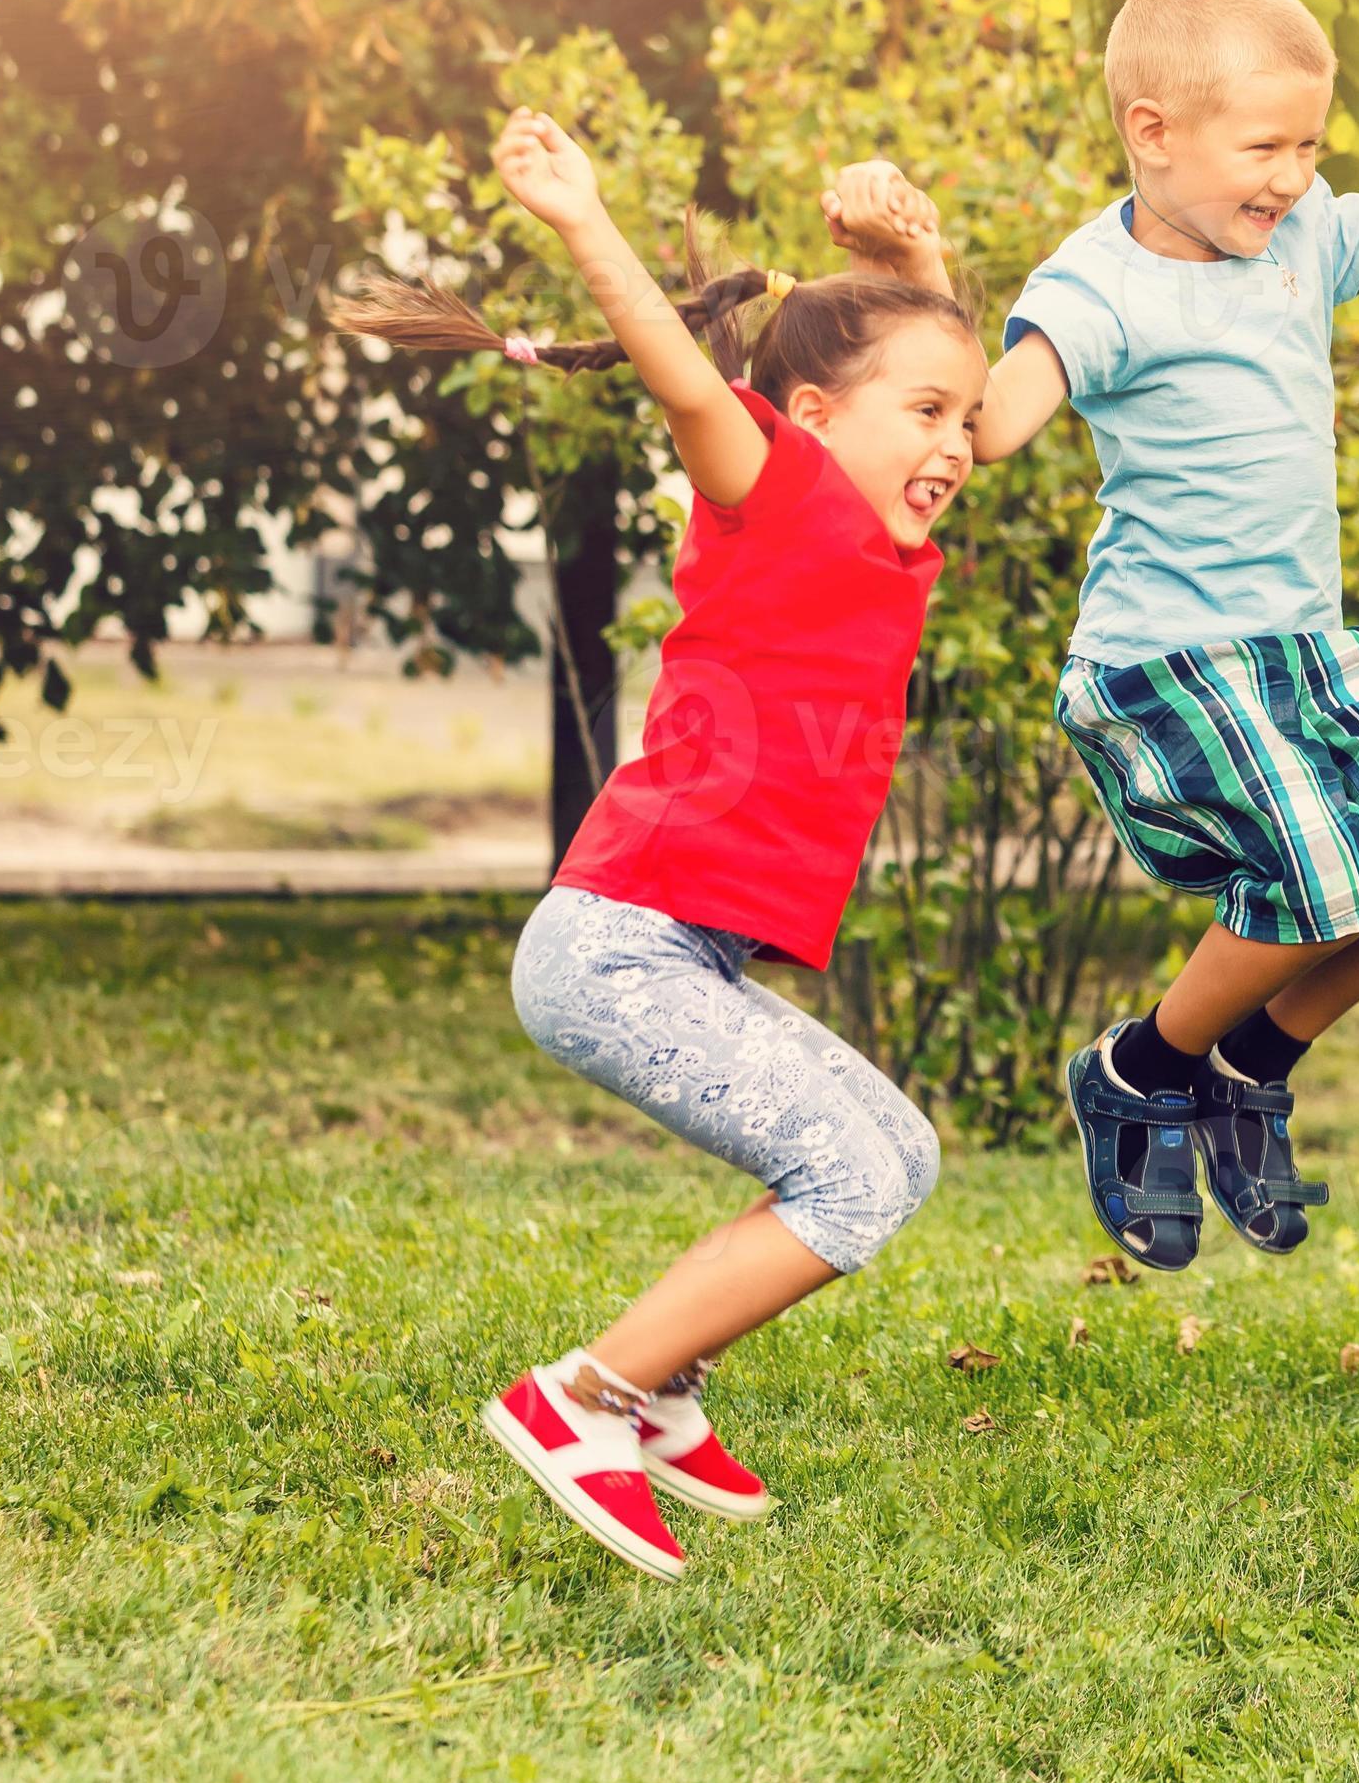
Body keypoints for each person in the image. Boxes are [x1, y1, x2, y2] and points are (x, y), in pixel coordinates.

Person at [826, 0, 1359, 1273]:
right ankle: (1140, 1076)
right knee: (1316, 879)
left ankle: (1251, 1059)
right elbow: (995, 425)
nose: (1293, 176)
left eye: (1309, 144)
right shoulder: (1098, 286)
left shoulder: (1311, 238)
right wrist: (918, 272)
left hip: (1303, 658)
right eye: (1266, 147)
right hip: (1166, 667)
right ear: (1154, 133)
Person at [332, 105, 984, 1580]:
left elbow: (958, 401)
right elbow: (680, 367)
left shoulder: (889, 536)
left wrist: (917, 260)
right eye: (928, 413)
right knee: (848, 1183)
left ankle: (669, 1390)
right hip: (620, 946)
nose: (961, 441)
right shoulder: (775, 486)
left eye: (964, 415)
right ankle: (585, 1399)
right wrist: (581, 220)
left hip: (676, 949)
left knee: (901, 1151)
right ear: (811, 415)